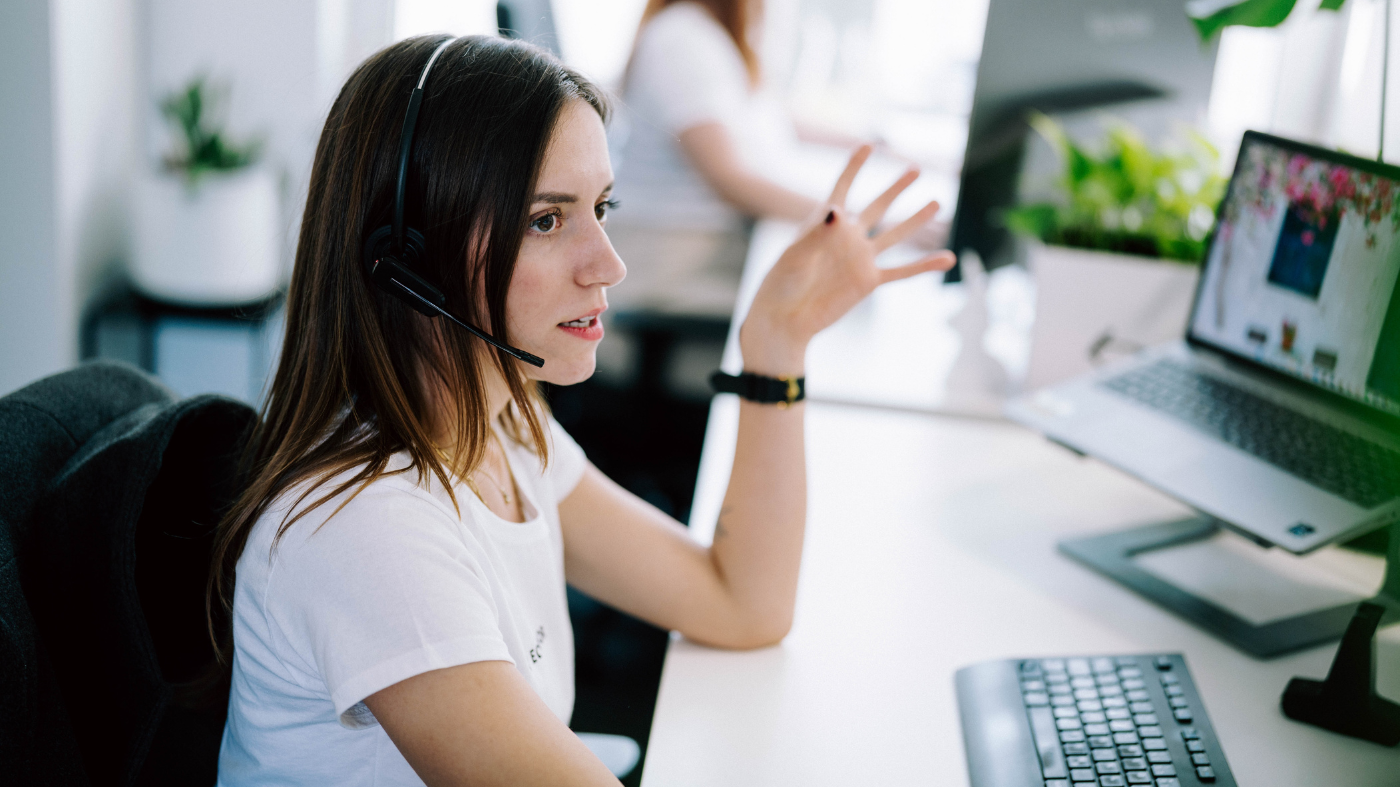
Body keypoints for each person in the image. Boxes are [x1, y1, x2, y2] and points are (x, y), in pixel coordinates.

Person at [211, 34, 952, 786]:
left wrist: (776, 346)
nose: (609, 263)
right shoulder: (370, 529)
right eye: (546, 220)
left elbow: (742, 603)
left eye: (601, 206)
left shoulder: (501, 431)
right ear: (407, 255)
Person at [609, 0, 926, 316]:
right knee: (837, 300)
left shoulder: (711, 33)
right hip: (677, 257)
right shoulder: (681, 40)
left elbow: (768, 118)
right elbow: (730, 180)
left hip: (711, 244)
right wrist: (865, 224)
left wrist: (877, 147)